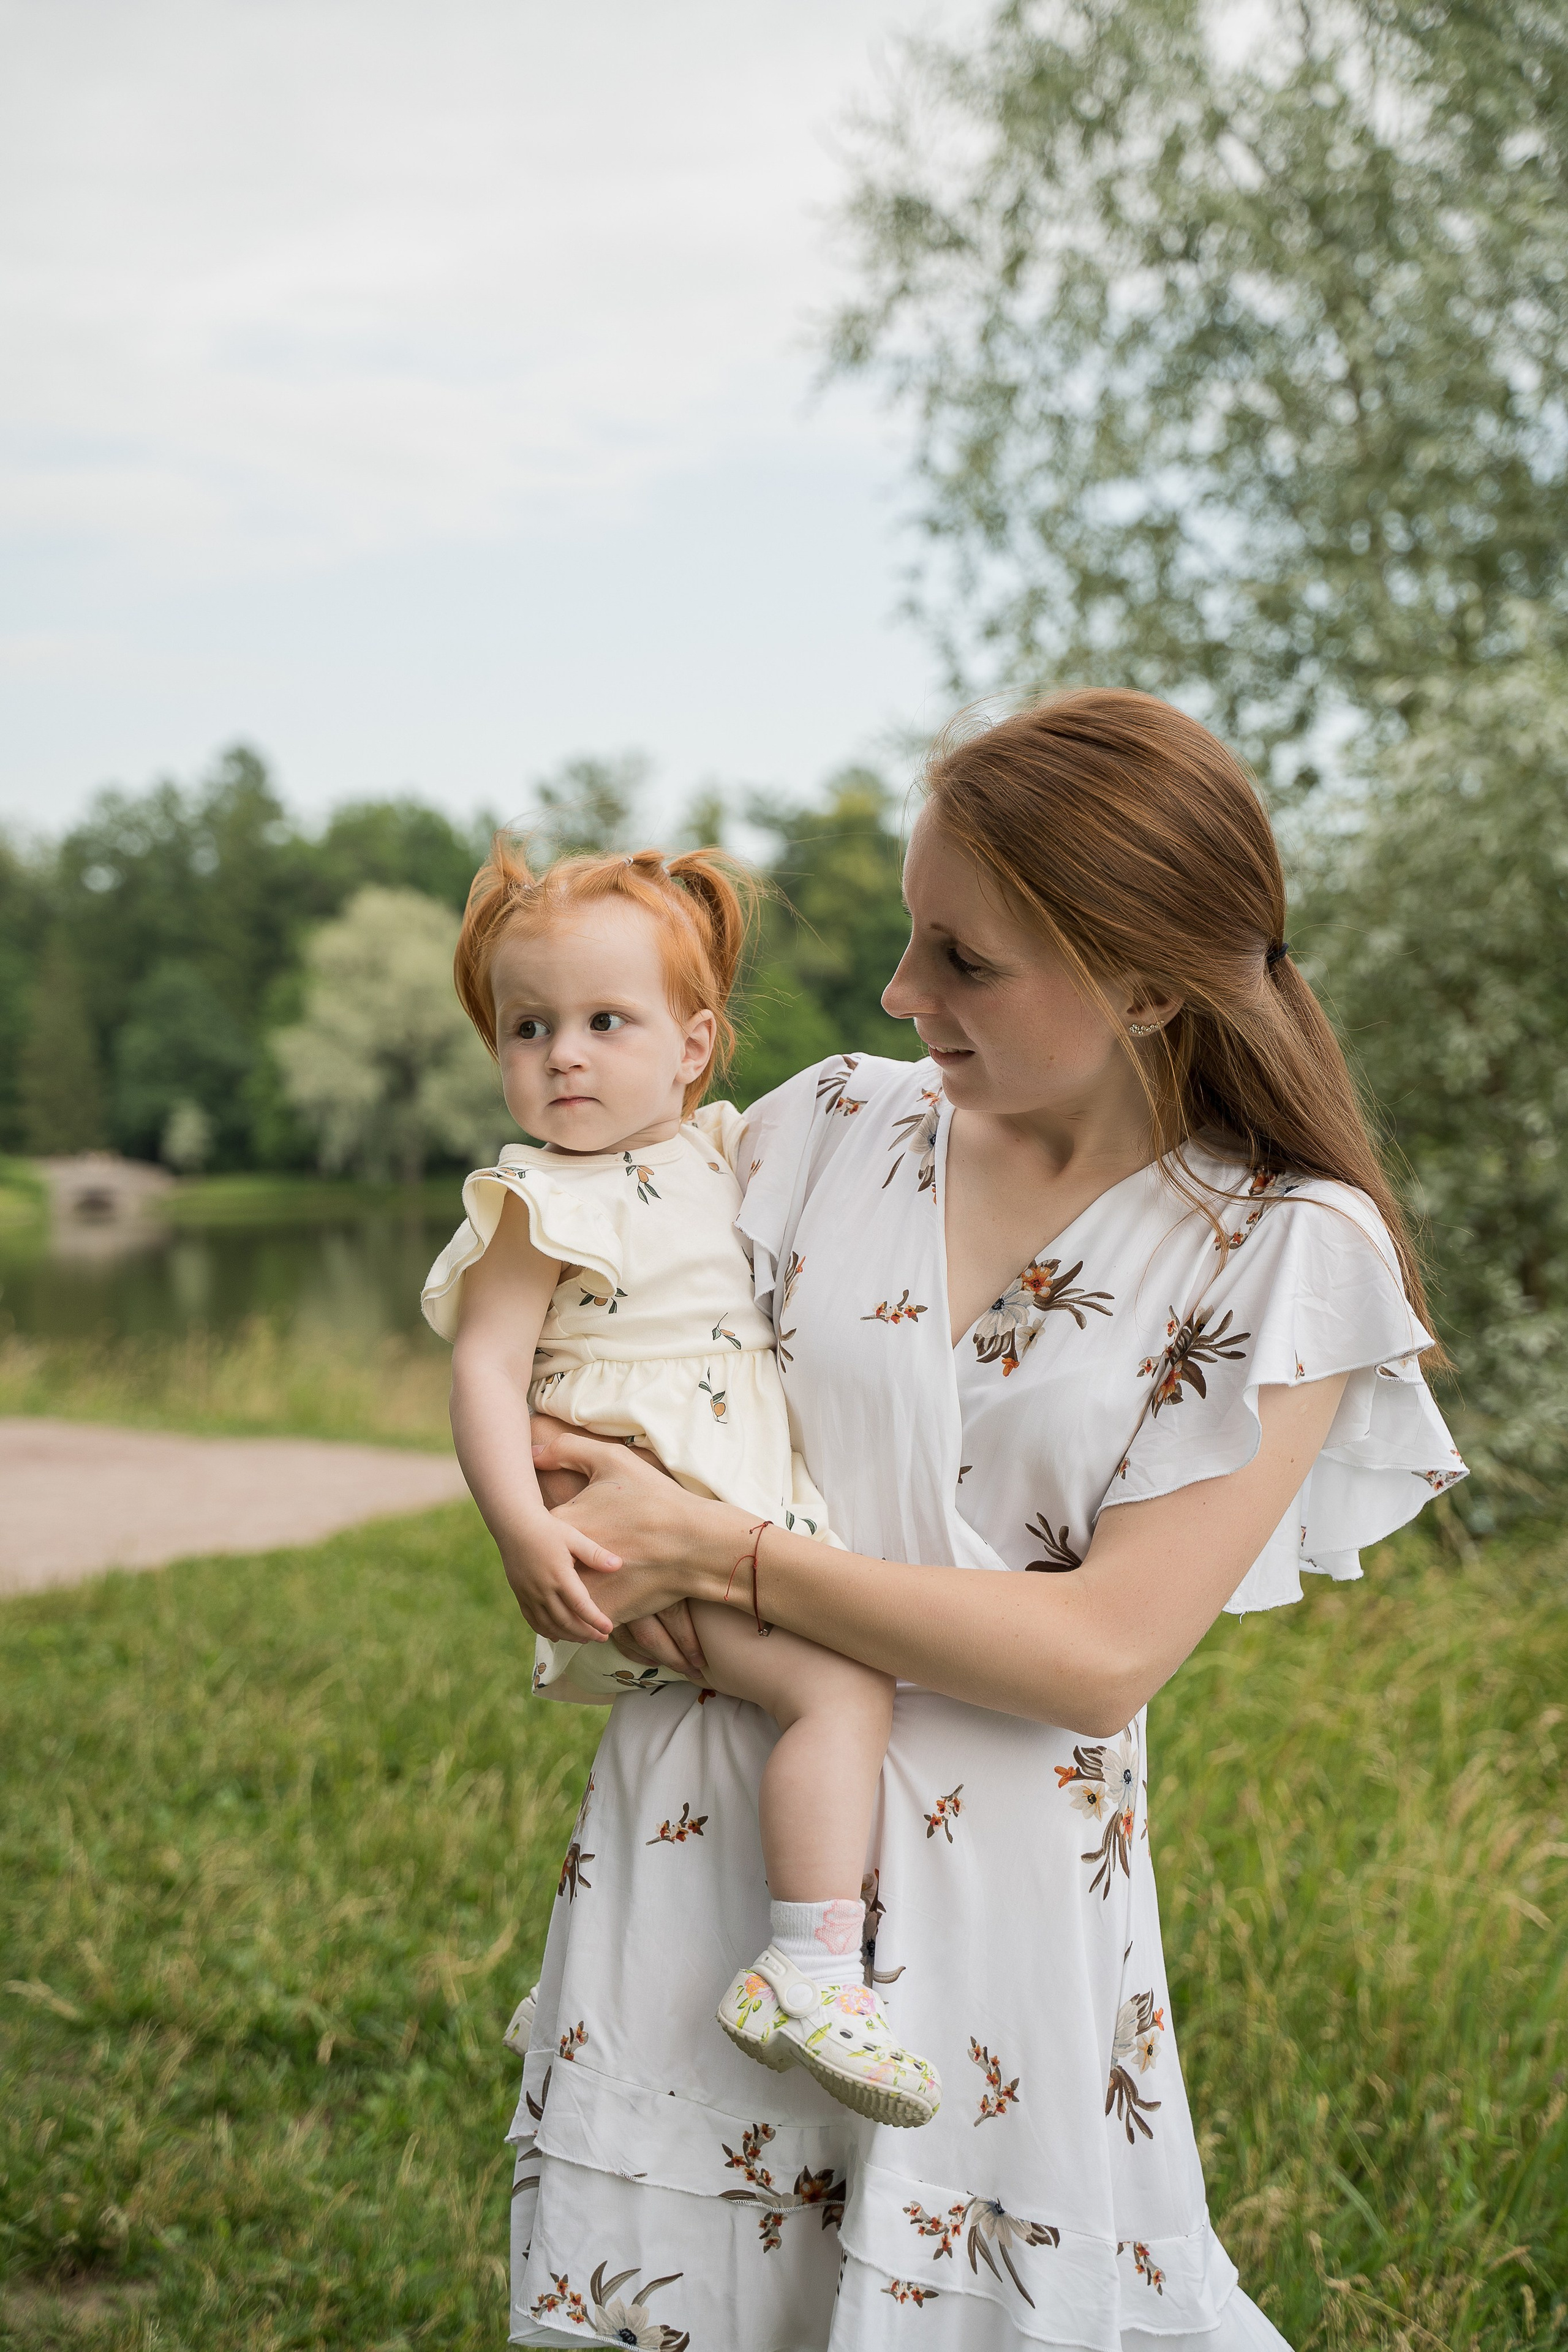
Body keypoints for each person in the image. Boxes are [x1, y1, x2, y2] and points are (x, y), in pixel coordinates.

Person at [501, 690, 1468, 2352]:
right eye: (907, 937)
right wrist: (578, 1505)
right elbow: (607, 1377)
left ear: (1149, 980)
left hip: (999, 1910)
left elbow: (1101, 1654)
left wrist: (720, 1557)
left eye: (964, 958)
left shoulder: (1283, 1253)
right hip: (708, 1845)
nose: (899, 994)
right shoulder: (818, 1128)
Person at [421, 841, 942, 2130]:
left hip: (721, 1512)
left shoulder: (718, 1150)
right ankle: (812, 1966)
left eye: (606, 1022)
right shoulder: (534, 1199)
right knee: (839, 1687)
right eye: (526, 1027)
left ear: (694, 1047)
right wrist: (519, 1533)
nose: (562, 1056)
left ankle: (590, 1988)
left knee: (728, 1747)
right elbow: (485, 1374)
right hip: (636, 1527)